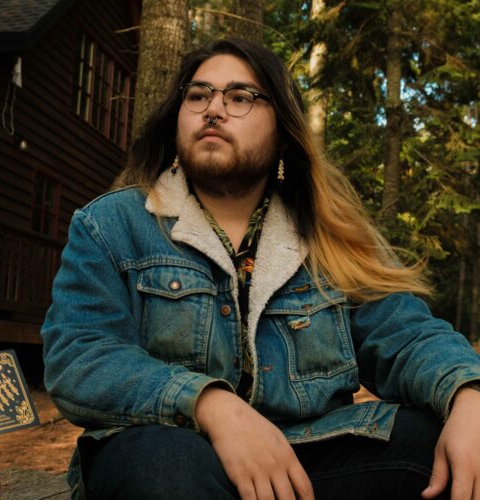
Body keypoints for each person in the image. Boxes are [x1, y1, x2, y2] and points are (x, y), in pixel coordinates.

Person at [42, 38, 480, 500]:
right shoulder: (111, 225)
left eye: (239, 97)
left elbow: (407, 335)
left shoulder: (329, 236)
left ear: (282, 132)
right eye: (198, 95)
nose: (213, 109)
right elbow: (80, 355)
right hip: (173, 454)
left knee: (441, 444)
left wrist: (468, 394)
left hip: (306, 459)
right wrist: (210, 405)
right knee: (162, 465)